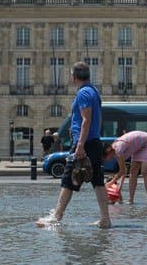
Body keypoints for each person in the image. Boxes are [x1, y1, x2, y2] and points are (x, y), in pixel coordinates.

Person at [36, 62, 111, 229]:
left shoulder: (83, 93)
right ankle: (105, 219)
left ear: (73, 77)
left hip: (84, 143)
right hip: (94, 141)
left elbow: (86, 120)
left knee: (68, 179)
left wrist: (80, 145)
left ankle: (56, 216)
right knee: (98, 181)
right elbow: (97, 119)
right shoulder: (94, 91)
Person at [105, 130, 147, 204]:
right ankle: (131, 200)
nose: (106, 160)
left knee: (144, 172)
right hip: (138, 146)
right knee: (133, 173)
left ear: (108, 151)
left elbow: (122, 171)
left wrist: (110, 183)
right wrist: (118, 189)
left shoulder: (118, 150)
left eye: (105, 157)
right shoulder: (115, 150)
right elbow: (124, 170)